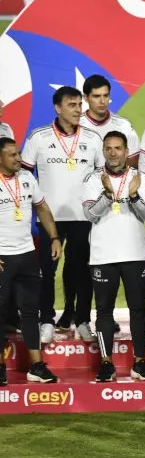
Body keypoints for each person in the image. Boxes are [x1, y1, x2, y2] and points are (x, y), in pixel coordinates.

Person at [21, 86, 104, 343]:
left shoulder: (92, 139)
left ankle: (81, 320)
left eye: (80, 104)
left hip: (83, 217)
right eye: (72, 105)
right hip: (50, 218)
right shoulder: (39, 137)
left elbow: (102, 177)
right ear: (57, 108)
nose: (78, 109)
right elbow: (24, 175)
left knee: (82, 270)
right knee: (46, 270)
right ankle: (46, 319)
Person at [83, 131, 145, 382]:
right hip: (103, 255)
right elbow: (90, 215)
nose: (113, 153)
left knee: (138, 309)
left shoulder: (141, 178)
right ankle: (106, 363)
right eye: (108, 148)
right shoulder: (93, 179)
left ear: (127, 151)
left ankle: (139, 362)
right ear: (103, 151)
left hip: (135, 254)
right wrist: (106, 194)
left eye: (118, 148)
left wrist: (134, 196)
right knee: (103, 310)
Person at [0, 137, 62, 385]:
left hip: (27, 255)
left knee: (30, 312)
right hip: (2, 257)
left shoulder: (27, 178)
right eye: (13, 155)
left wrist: (54, 236)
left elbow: (43, 208)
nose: (19, 159)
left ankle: (36, 366)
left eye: (19, 154)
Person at [80, 74, 140, 168]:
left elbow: (134, 165)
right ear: (86, 98)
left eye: (106, 95)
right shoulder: (76, 126)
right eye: (96, 96)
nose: (102, 101)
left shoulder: (124, 126)